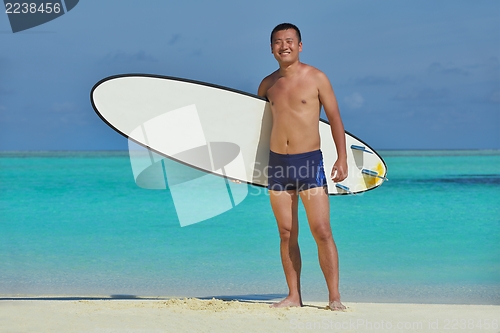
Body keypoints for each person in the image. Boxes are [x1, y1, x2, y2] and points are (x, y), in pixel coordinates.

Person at [257, 23, 347, 311]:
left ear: (300, 45)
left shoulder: (317, 78)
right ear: (271, 48)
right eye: (278, 42)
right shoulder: (267, 85)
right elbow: (253, 131)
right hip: (277, 165)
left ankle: (334, 298)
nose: (284, 46)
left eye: (289, 41)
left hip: (309, 162)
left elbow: (335, 119)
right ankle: (294, 296)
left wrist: (342, 158)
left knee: (321, 230)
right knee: (286, 232)